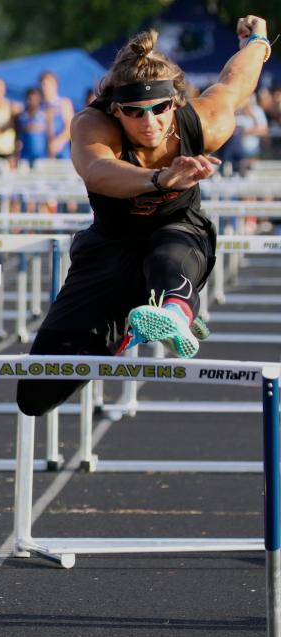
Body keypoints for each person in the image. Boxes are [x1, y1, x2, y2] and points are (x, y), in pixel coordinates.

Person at [16, 16, 271, 417]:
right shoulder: (92, 125)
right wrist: (160, 177)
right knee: (35, 395)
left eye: (160, 108)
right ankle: (132, 326)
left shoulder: (204, 121)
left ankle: (176, 312)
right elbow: (98, 171)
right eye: (135, 112)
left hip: (179, 236)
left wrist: (256, 39)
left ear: (177, 102)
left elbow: (236, 80)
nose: (150, 123)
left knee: (170, 247)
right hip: (110, 246)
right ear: (115, 110)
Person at [39, 70, 74, 159]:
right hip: (41, 153)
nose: (45, 87)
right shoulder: (38, 105)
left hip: (61, 152)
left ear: (56, 85)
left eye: (48, 84)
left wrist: (58, 141)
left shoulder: (64, 103)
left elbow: (70, 128)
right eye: (43, 84)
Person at [16, 87, 48, 168]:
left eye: (35, 99)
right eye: (30, 99)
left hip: (41, 154)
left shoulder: (44, 115)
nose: (33, 101)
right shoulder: (21, 116)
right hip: (25, 154)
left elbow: (49, 134)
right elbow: (18, 135)